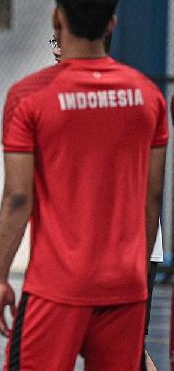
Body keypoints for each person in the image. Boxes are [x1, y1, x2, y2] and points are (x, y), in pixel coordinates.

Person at [0, 0, 168, 369]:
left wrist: (0, 276)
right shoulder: (148, 96)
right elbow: (153, 195)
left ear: (58, 18)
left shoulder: (29, 97)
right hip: (125, 285)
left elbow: (18, 197)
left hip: (56, 286)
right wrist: (135, 275)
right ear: (111, 24)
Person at [50, 31, 163, 371]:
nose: (57, 50)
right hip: (93, 249)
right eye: (53, 42)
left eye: (62, 41)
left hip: (127, 246)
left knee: (127, 349)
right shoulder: (63, 98)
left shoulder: (123, 97)